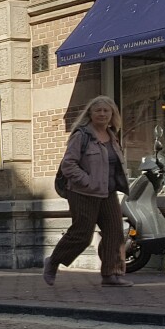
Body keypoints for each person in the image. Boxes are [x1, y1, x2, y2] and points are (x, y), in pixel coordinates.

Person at [44, 96, 132, 287]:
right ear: (90, 114)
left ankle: (112, 274)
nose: (102, 114)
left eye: (106, 111)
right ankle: (53, 261)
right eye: (98, 110)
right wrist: (88, 181)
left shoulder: (112, 136)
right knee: (82, 234)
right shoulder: (81, 136)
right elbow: (68, 165)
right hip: (83, 192)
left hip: (107, 192)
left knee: (115, 233)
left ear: (112, 114)